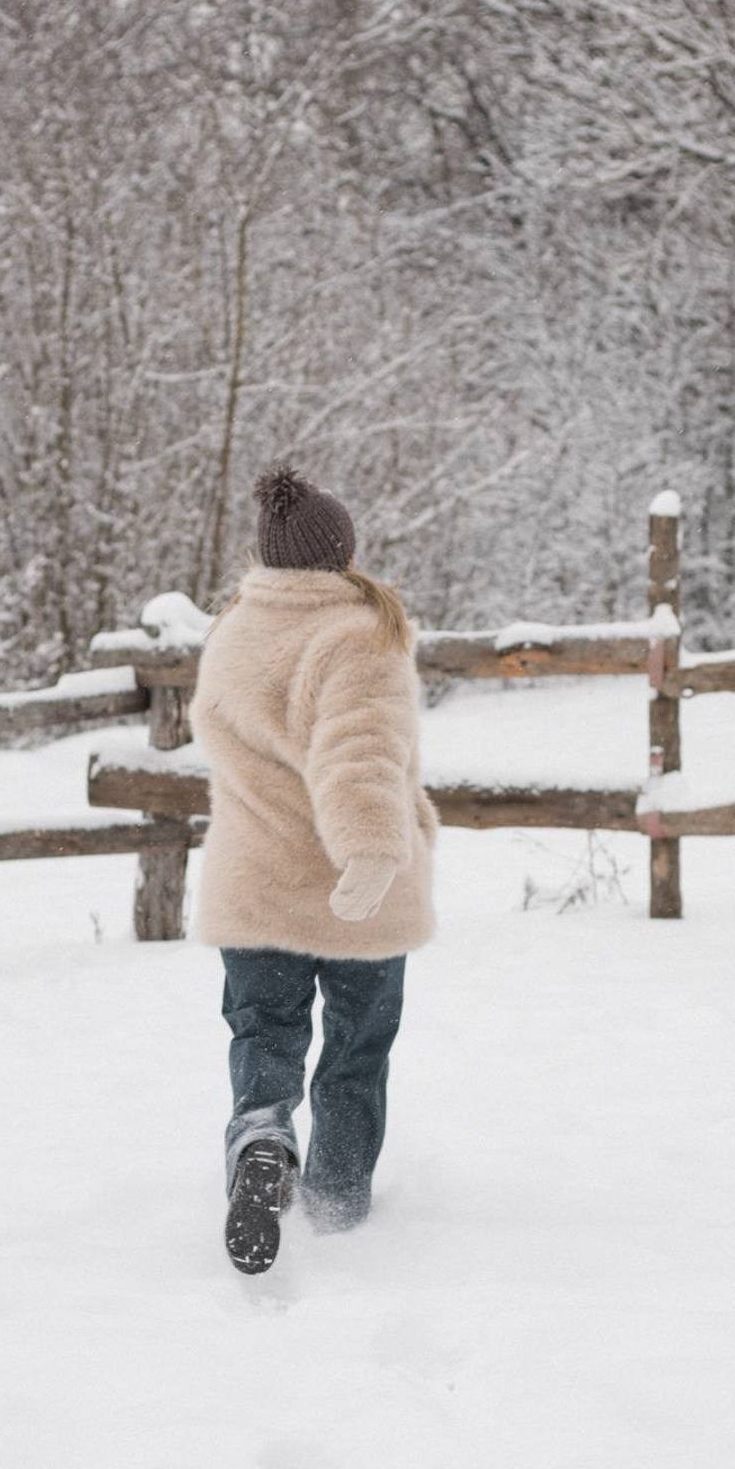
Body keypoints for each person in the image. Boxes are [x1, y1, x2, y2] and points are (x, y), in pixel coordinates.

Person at [190, 465, 439, 1274]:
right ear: (340, 552)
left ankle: (261, 1137)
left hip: (255, 885)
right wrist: (370, 848)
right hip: (353, 896)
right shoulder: (358, 633)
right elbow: (359, 751)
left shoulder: (234, 631)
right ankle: (336, 1207)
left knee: (263, 1031)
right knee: (356, 1050)